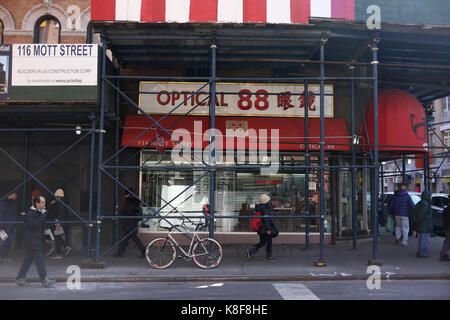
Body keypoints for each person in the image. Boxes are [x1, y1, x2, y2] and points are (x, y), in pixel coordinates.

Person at [15, 195, 55, 287]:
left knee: (28, 260)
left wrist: (45, 238)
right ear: (37, 203)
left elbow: (41, 227)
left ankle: (20, 278)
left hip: (36, 240)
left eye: (45, 202)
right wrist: (43, 216)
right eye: (43, 202)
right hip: (33, 240)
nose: (45, 204)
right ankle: (44, 279)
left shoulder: (40, 212)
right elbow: (33, 225)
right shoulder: (30, 213)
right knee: (40, 259)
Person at [114, 189, 146, 258]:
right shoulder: (134, 201)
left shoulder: (129, 201)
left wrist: (122, 215)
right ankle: (120, 253)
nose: (124, 196)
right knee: (126, 238)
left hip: (129, 223)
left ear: (128, 194)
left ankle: (144, 252)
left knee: (133, 238)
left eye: (125, 194)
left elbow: (127, 212)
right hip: (132, 222)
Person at [246, 194, 278, 262]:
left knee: (263, 242)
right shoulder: (265, 209)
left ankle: (251, 251)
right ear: (267, 201)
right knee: (269, 242)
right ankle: (268, 256)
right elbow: (266, 220)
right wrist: (269, 229)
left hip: (261, 228)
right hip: (265, 229)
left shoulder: (260, 207)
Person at [47, 189, 71, 259]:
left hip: (59, 221)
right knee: (57, 236)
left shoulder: (60, 204)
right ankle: (66, 247)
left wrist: (58, 223)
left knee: (57, 236)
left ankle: (58, 253)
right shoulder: (62, 202)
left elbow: (60, 214)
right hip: (60, 221)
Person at [412, 190, 433, 258]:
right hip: (424, 225)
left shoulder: (421, 203)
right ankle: (423, 253)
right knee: (424, 240)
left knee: (423, 239)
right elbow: (421, 215)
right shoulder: (425, 204)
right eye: (430, 196)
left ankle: (421, 252)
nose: (431, 198)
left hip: (422, 224)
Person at [0, 192, 18, 262]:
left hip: (11, 225)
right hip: (5, 225)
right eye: (15, 194)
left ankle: (4, 256)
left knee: (9, 240)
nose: (16, 196)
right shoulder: (3, 202)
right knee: (8, 239)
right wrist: (0, 226)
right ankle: (3, 255)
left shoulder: (12, 203)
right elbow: (1, 214)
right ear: (10, 194)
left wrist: (15, 225)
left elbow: (14, 214)